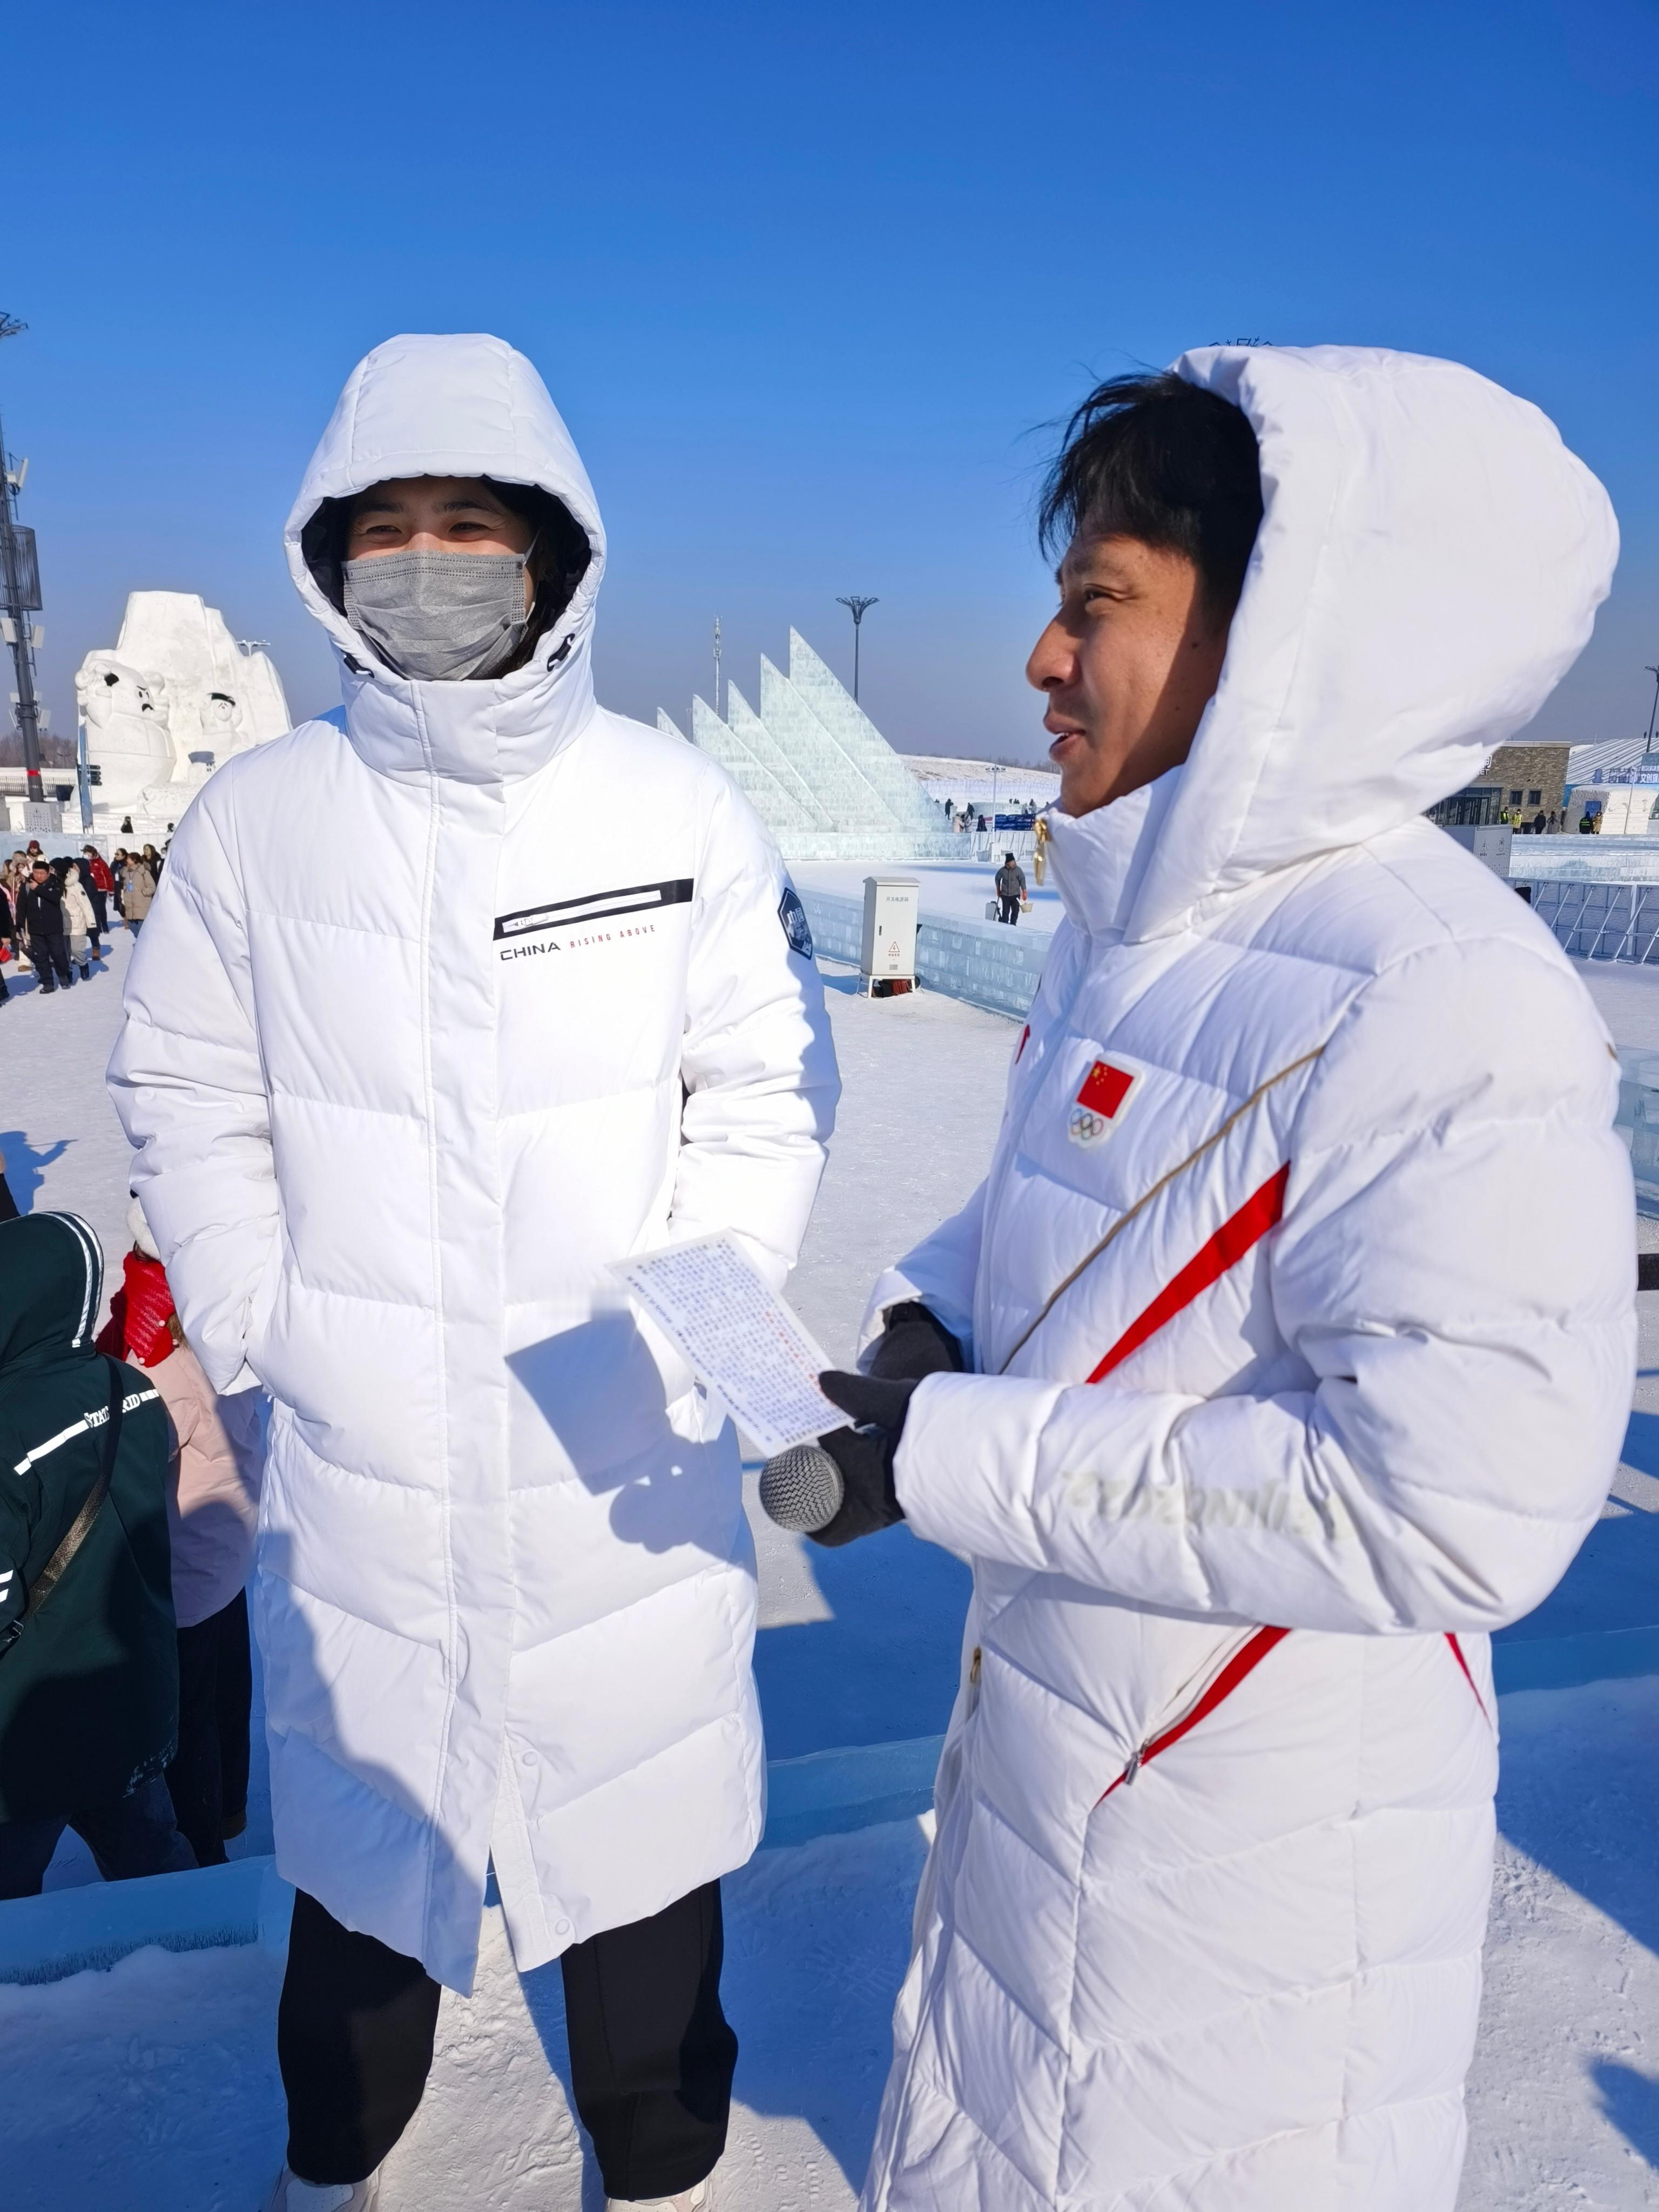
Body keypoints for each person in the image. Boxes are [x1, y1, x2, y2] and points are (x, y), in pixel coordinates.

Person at [807, 349, 1632, 2212]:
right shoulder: (1144, 928)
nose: (1038, 658)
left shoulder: (1441, 993)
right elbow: (1091, 1224)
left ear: (1283, 649)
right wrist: (934, 1314)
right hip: (1062, 1776)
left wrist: (952, 1451)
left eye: (1096, 603)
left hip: (1250, 1875)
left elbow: (1456, 1509)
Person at [110, 331, 839, 2212]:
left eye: (472, 523)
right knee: (359, 1949)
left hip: (626, 1490)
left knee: (647, 1954)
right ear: (331, 558)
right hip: (373, 1510)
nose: (431, 559)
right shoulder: (258, 823)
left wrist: (705, 1317)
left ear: (553, 554)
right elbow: (183, 1083)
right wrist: (269, 1308)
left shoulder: (667, 809)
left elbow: (761, 1085)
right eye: (392, 527)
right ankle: (332, 2181)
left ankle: (664, 2177)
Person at [0, 1212, 195, 1898]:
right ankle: (202, 1977)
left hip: (31, 1726)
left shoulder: (6, 1429)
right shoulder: (131, 1387)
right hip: (134, 1694)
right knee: (154, 1869)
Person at [96, 1196, 265, 1867]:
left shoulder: (165, 1377)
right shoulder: (232, 1337)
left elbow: (132, 1465)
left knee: (187, 1720)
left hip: (185, 1575)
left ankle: (200, 1852)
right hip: (228, 1555)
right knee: (229, 1688)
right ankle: (229, 1810)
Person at [18, 862, 72, 993]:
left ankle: (63, 974)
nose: (39, 876)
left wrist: (37, 889)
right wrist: (19, 926)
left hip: (54, 928)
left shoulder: (56, 883)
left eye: (42, 874)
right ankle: (47, 982)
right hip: (36, 929)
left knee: (58, 954)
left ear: (48, 873)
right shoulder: (27, 886)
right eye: (36, 873)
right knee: (40, 957)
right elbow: (21, 907)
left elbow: (55, 898)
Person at [57, 858, 99, 980]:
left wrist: (91, 923)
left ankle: (83, 964)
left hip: (77, 923)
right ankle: (68, 972)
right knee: (65, 952)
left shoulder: (76, 885)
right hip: (61, 925)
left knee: (77, 950)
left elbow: (86, 905)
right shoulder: (55, 884)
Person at [121, 847, 157, 934]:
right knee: (134, 929)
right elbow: (126, 885)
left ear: (135, 860)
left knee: (142, 933)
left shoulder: (144, 871)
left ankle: (143, 946)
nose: (127, 860)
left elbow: (152, 887)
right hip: (130, 906)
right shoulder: (127, 872)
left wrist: (142, 893)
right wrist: (125, 892)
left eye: (129, 858)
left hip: (142, 906)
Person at [81, 845, 113, 939]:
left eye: (88, 853)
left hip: (101, 889)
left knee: (101, 908)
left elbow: (108, 876)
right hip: (90, 889)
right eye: (85, 854)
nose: (87, 855)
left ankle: (104, 925)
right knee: (93, 909)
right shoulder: (86, 863)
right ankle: (97, 926)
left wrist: (110, 889)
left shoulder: (101, 862)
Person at [993, 849, 1026, 923]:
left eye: (1014, 862)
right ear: (1008, 863)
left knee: (1015, 911)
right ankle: (1005, 925)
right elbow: (997, 879)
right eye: (1012, 862)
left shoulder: (1018, 870)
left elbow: (1022, 880)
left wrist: (1024, 891)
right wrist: (998, 889)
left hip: (1016, 895)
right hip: (1005, 895)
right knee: (1006, 912)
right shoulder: (1002, 871)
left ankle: (1013, 925)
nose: (1013, 864)